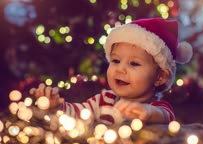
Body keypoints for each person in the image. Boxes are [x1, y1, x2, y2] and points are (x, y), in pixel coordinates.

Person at [30, 18, 193, 124]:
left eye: (134, 63)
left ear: (160, 76)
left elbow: (164, 116)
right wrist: (56, 107)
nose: (120, 68)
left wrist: (148, 112)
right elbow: (78, 114)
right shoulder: (104, 100)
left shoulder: (158, 106)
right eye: (115, 60)